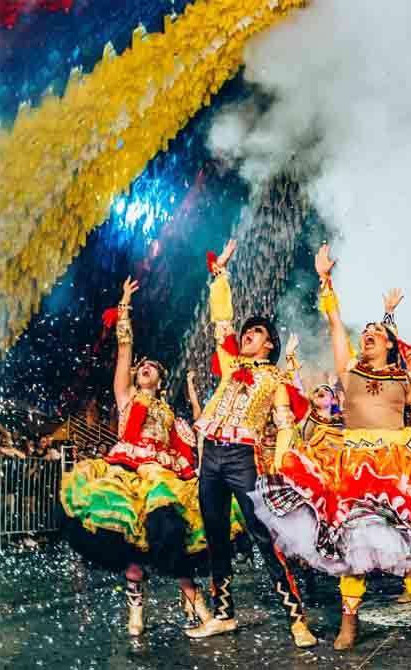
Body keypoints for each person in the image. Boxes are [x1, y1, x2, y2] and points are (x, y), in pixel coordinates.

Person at [253, 250, 411, 650]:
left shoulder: (405, 379)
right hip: (351, 461)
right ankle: (348, 622)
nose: (367, 332)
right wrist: (325, 282)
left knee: (410, 540)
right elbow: (336, 323)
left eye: (376, 331)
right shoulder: (349, 371)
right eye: (365, 330)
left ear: (389, 343)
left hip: (400, 459)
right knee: (353, 539)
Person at [59, 277, 214, 636]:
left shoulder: (169, 414)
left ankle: (197, 603)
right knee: (130, 549)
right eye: (141, 367)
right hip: (128, 473)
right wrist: (124, 305)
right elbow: (125, 348)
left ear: (160, 380)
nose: (144, 367)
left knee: (171, 541)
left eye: (152, 367)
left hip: (162, 475)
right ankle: (136, 614)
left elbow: (191, 442)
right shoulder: (127, 397)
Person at [185, 241, 316, 647]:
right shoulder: (229, 364)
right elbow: (221, 320)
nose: (246, 336)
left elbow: (285, 424)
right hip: (212, 458)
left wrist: (280, 466)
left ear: (270, 344)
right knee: (216, 536)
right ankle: (224, 614)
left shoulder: (276, 380)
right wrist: (220, 275)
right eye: (247, 332)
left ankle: (297, 618)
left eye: (256, 332)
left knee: (263, 537)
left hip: (244, 458)